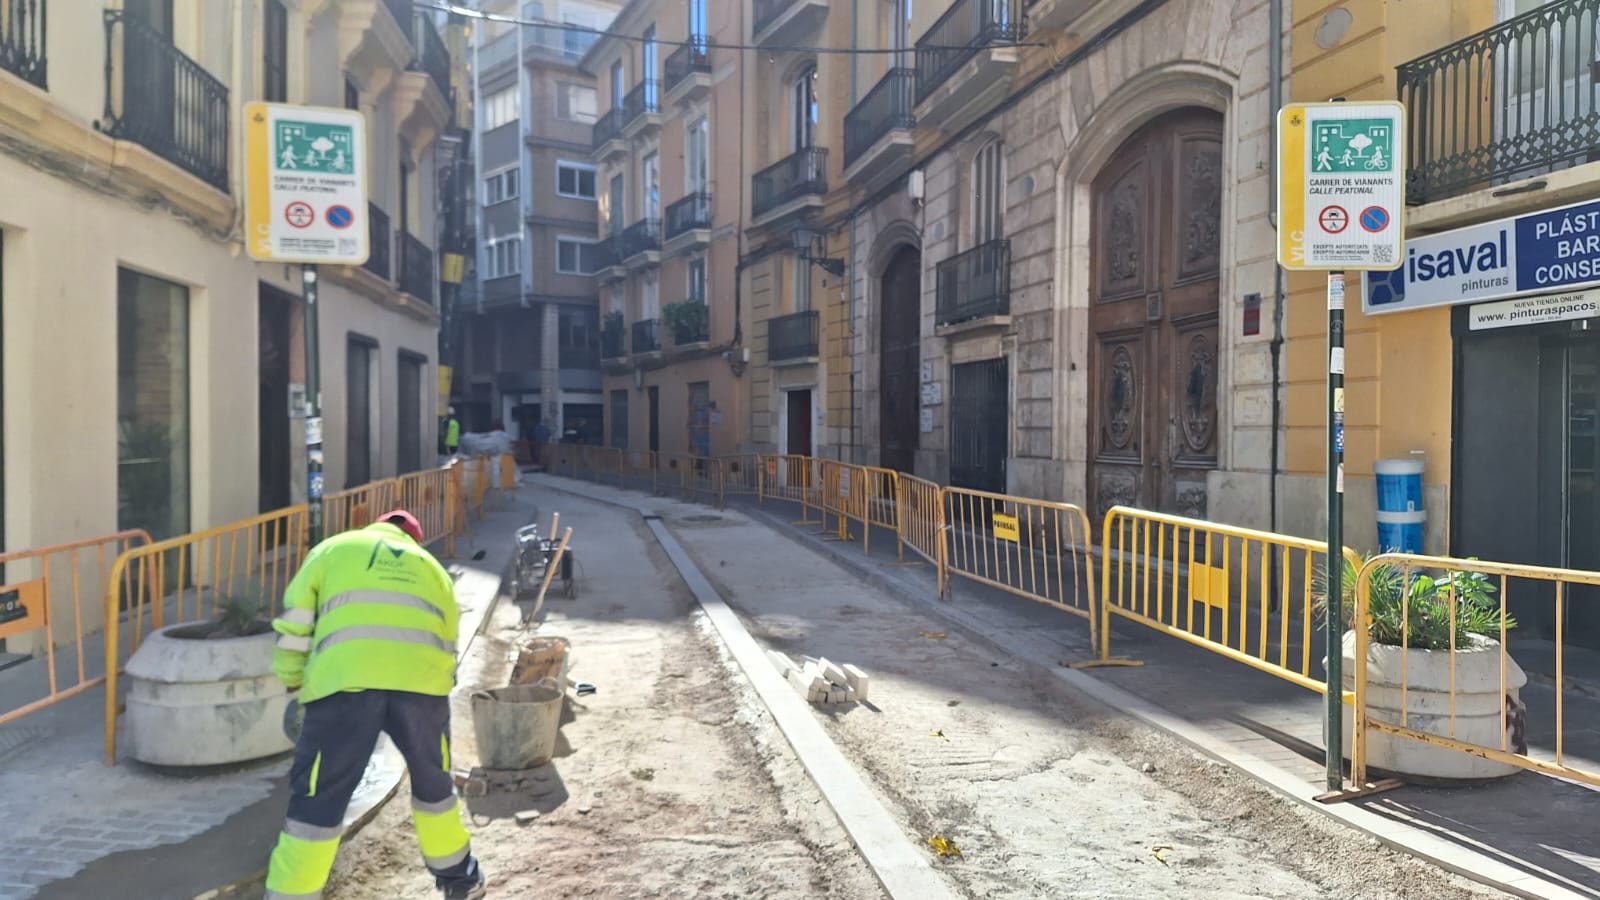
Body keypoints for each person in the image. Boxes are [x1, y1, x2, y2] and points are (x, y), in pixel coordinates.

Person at [264, 510, 486, 900]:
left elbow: (296, 622)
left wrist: (292, 677)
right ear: (414, 540)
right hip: (421, 689)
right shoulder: (432, 567)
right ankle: (461, 879)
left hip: (342, 688)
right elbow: (449, 635)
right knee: (434, 786)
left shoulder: (331, 550)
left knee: (319, 798)